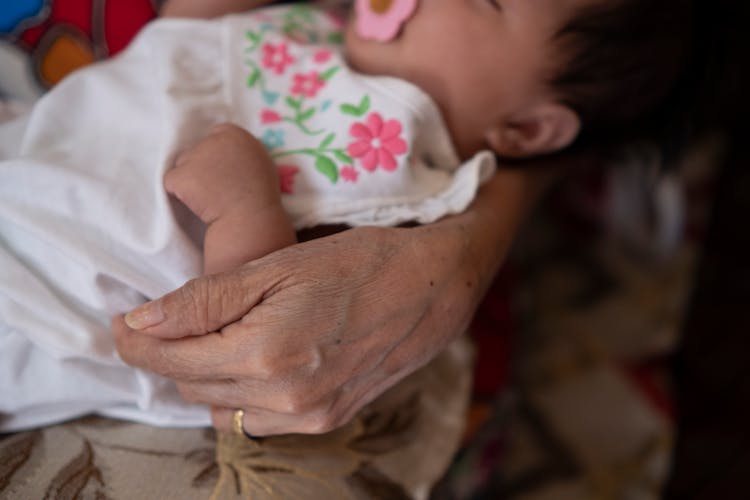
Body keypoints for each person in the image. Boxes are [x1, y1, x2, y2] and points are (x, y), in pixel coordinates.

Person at [0, 0, 693, 439]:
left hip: (39, 309)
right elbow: (186, 40)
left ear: (526, 128)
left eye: (485, 3)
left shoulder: (408, 179)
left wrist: (246, 204)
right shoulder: (318, 32)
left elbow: (265, 322)